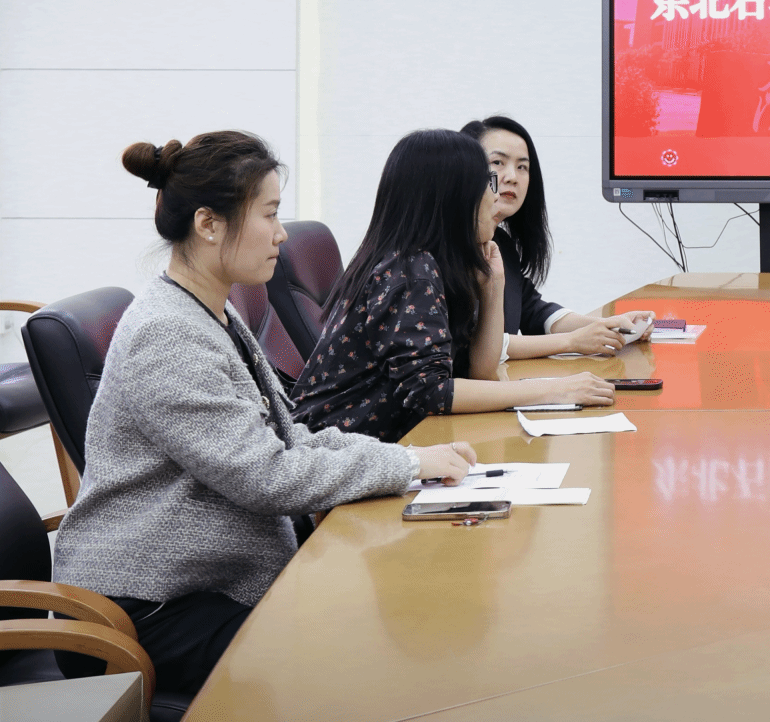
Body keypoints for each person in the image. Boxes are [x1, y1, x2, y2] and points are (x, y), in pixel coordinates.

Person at [53, 132, 476, 696]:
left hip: (199, 587)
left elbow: (287, 438)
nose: (281, 234)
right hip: (141, 610)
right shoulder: (167, 335)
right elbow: (267, 476)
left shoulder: (211, 313)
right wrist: (407, 466)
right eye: (270, 214)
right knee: (358, 656)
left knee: (378, 621)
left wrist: (409, 459)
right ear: (208, 224)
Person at [292, 129, 616, 442]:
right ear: (453, 197)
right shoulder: (409, 269)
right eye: (486, 183)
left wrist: (493, 287)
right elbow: (431, 393)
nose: (495, 196)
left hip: (384, 445)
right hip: (332, 449)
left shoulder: (442, 263)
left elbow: (480, 373)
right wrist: (554, 389)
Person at [461, 115, 652, 360]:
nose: (512, 177)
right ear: (464, 167)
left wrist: (610, 325)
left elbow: (532, 310)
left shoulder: (502, 243)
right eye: (498, 162)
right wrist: (572, 341)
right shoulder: (448, 247)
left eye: (522, 167)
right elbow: (474, 345)